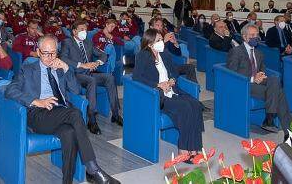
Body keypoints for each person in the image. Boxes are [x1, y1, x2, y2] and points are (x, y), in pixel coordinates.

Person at [4, 36, 120, 184]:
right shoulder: (27, 69)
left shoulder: (59, 69)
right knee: (75, 113)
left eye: (53, 53)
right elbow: (10, 90)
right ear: (38, 52)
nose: (50, 57)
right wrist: (36, 101)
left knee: (69, 133)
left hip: (61, 113)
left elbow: (76, 90)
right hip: (39, 115)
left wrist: (66, 69)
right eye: (46, 53)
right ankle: (92, 168)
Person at [132, 29, 204, 158]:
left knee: (195, 104)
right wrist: (158, 85)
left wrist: (171, 80)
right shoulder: (143, 55)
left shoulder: (164, 53)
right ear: (149, 44)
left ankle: (195, 147)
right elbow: (137, 77)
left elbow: (174, 72)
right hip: (158, 95)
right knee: (185, 107)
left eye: (161, 39)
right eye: (158, 40)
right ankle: (183, 148)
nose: (161, 42)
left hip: (172, 91)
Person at [227, 24, 292, 137]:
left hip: (258, 82)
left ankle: (270, 118)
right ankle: (288, 131)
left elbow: (262, 70)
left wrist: (261, 75)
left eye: (257, 35)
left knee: (275, 80)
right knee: (279, 93)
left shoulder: (259, 53)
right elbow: (232, 73)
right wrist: (252, 79)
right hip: (244, 83)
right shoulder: (236, 51)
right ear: (244, 37)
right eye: (252, 35)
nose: (255, 37)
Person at [60, 21, 122, 135]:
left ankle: (115, 114)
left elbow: (102, 54)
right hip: (75, 75)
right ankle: (91, 119)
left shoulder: (88, 42)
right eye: (81, 29)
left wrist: (97, 63)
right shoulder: (67, 42)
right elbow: (63, 58)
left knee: (110, 78)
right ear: (74, 31)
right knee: (91, 80)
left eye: (85, 29)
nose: (84, 31)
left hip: (89, 73)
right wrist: (82, 65)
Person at [151, 18, 198, 83]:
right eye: (157, 25)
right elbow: (151, 53)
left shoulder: (163, 36)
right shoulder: (148, 39)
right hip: (159, 68)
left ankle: (194, 89)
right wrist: (164, 41)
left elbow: (178, 54)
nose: (160, 27)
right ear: (151, 27)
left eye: (161, 26)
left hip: (171, 66)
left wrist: (175, 43)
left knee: (191, 67)